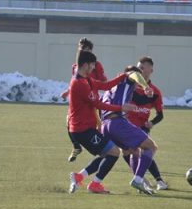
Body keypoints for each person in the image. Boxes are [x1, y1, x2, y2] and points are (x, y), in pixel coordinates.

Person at [68, 49, 136, 195]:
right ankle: (95, 184)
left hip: (85, 129)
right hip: (82, 131)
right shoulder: (79, 84)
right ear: (86, 65)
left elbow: (105, 86)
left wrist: (123, 76)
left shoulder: (85, 79)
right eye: (92, 65)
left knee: (107, 153)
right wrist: (121, 108)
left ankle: (79, 176)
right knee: (114, 152)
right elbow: (99, 105)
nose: (94, 68)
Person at [100, 65, 158, 196]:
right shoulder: (128, 78)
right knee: (151, 147)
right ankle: (138, 179)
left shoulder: (112, 87)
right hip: (117, 123)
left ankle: (140, 180)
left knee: (131, 151)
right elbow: (134, 75)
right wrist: (146, 86)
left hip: (106, 125)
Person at [126, 56, 168, 190]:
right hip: (126, 126)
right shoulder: (130, 87)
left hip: (142, 127)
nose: (139, 70)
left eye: (143, 67)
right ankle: (142, 179)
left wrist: (152, 122)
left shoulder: (155, 92)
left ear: (151, 70)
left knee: (145, 151)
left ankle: (157, 181)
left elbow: (160, 114)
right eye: (138, 67)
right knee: (128, 152)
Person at [63, 37, 106, 162]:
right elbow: (75, 83)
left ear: (91, 51)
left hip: (92, 102)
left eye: (85, 49)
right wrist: (67, 91)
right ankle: (76, 147)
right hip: (79, 102)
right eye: (80, 48)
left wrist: (92, 84)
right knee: (69, 122)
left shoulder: (96, 65)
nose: (82, 50)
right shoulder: (75, 66)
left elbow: (104, 81)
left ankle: (106, 149)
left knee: (98, 127)